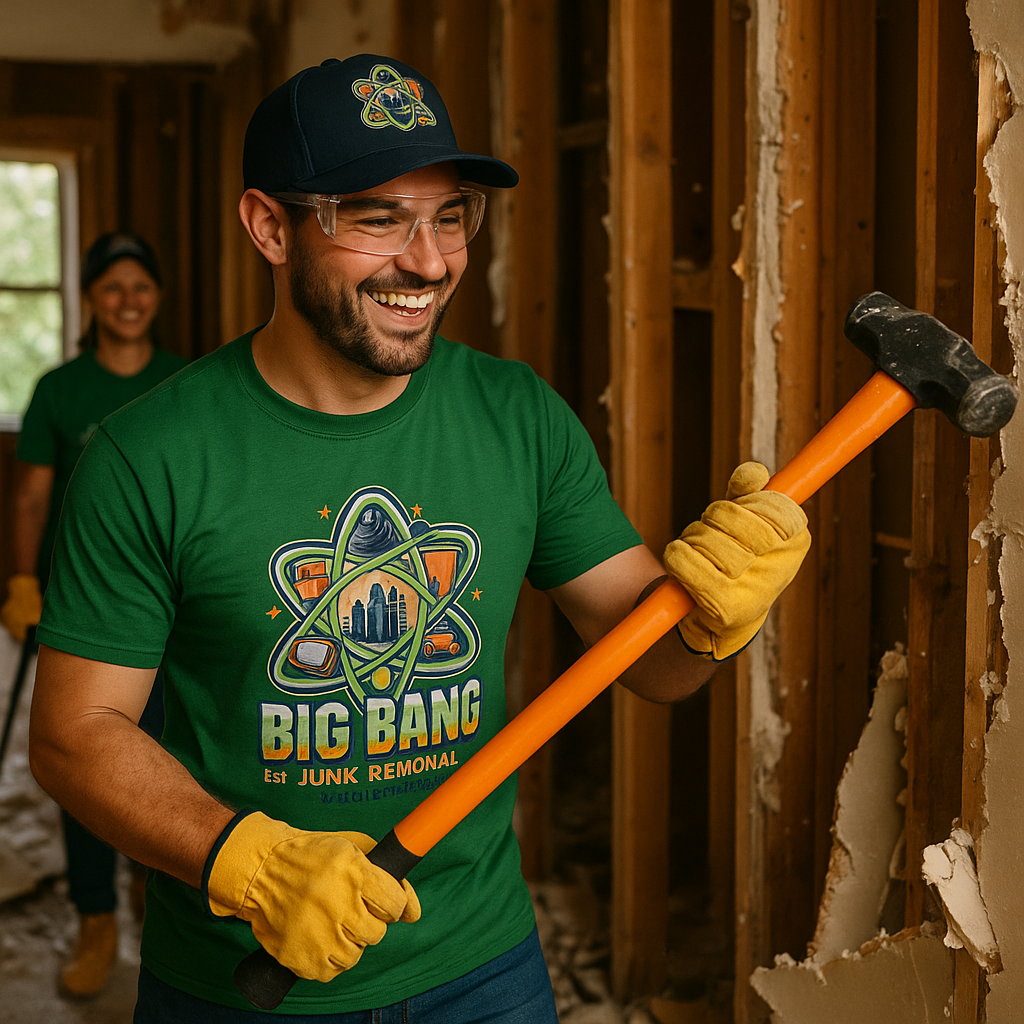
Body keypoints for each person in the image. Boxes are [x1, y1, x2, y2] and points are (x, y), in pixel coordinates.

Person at [27, 55, 810, 1022]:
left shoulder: (518, 417)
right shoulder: (147, 456)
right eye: (375, 216)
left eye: (450, 216)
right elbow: (73, 735)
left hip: (483, 970)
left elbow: (649, 666)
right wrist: (244, 859)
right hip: (243, 984)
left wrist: (710, 619)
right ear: (270, 226)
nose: (430, 261)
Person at [1, 231, 187, 997]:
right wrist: (21, 579)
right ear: (90, 301)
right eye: (111, 286)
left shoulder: (187, 383)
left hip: (175, 609)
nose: (128, 299)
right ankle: (95, 918)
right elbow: (33, 496)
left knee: (166, 755)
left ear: (158, 298)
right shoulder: (60, 390)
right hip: (84, 609)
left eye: (141, 285)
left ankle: (158, 897)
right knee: (85, 765)